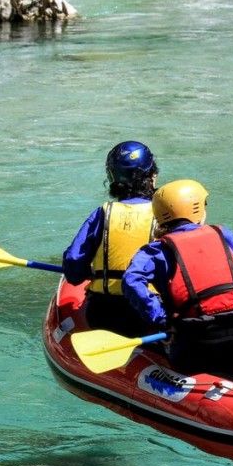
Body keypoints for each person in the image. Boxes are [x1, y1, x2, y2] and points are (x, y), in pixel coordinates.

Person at [122, 179, 233, 377]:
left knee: (151, 340)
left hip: (198, 348)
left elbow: (131, 281)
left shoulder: (156, 250)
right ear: (198, 211)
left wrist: (163, 321)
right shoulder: (225, 235)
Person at [62, 141, 159, 337]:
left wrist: (87, 274)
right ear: (152, 177)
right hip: (149, 315)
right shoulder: (164, 216)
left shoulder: (102, 214)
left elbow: (73, 264)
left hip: (103, 314)